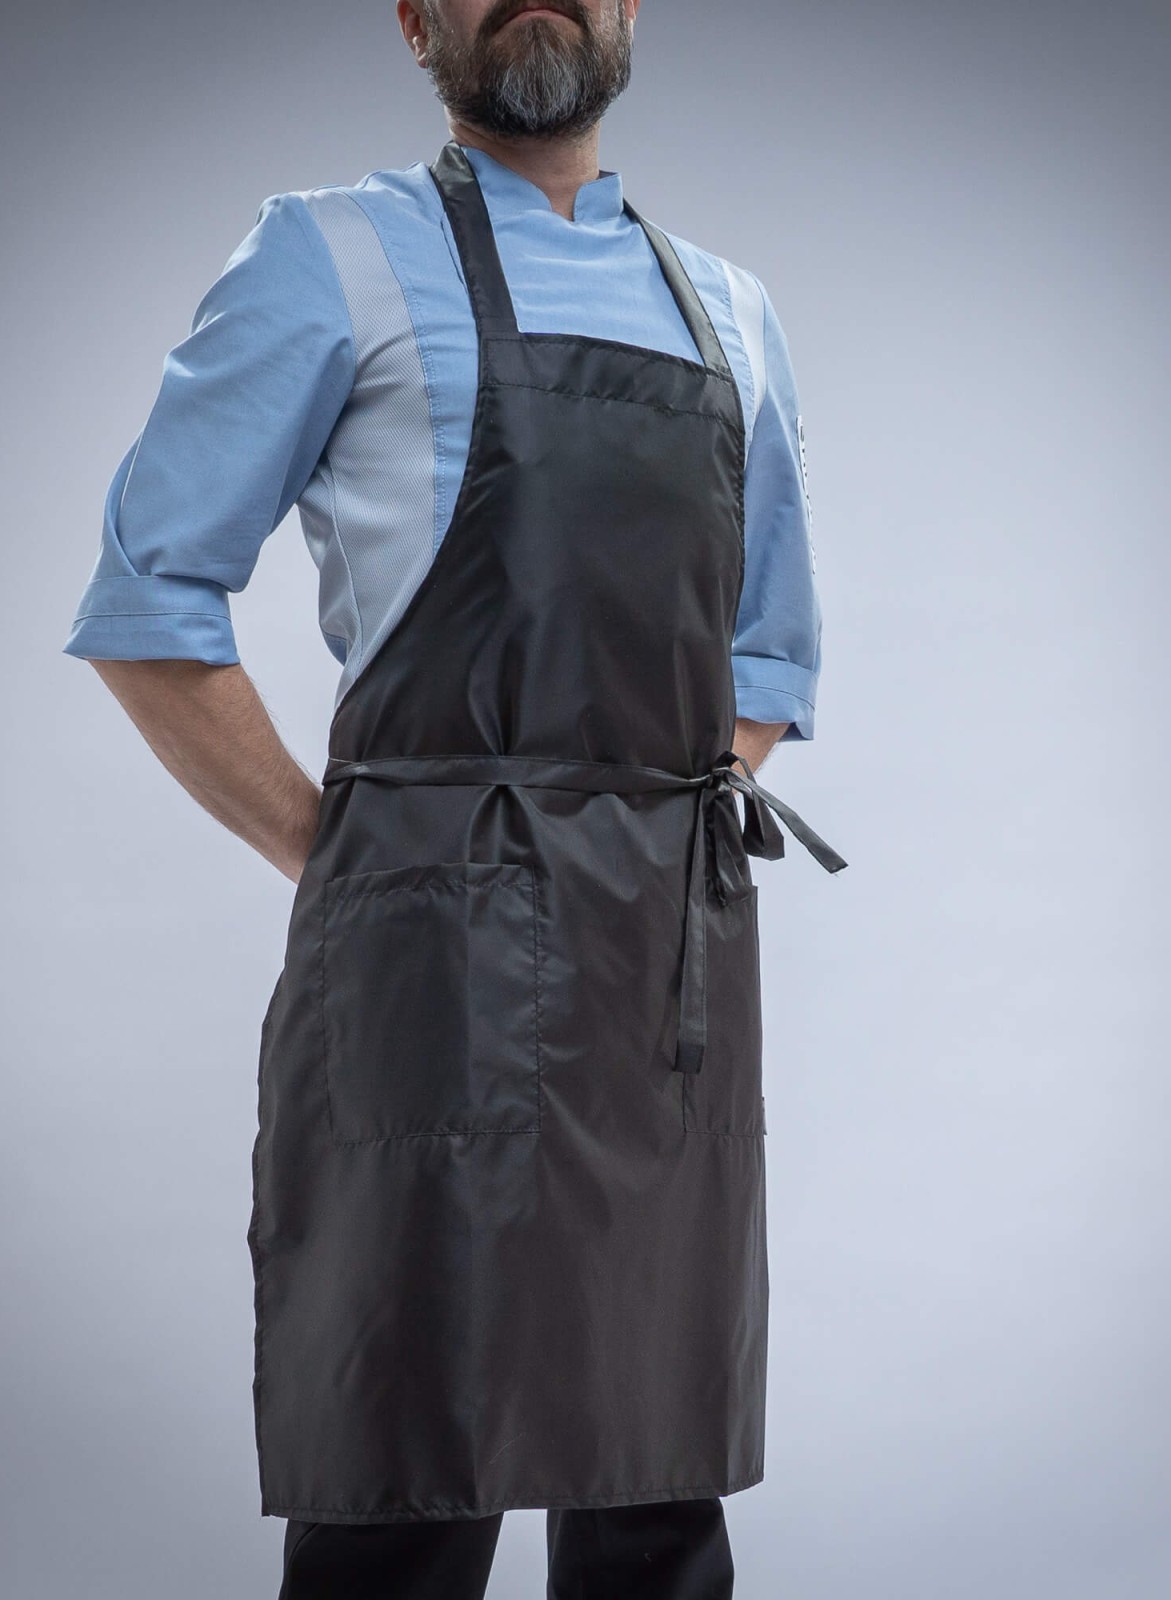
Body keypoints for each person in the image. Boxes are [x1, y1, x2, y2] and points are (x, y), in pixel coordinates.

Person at [62, 1, 846, 1594]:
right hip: (427, 959)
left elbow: (767, 656)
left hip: (666, 976)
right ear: (418, 18)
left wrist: (629, 834)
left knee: (655, 1482)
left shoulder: (732, 312)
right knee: (409, 1466)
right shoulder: (326, 256)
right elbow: (147, 604)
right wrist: (342, 850)